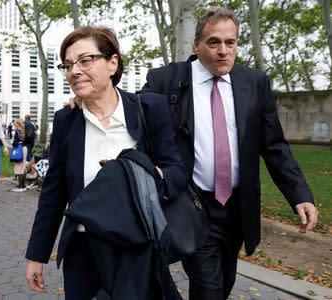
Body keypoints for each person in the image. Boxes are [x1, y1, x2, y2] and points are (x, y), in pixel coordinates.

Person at [140, 7, 318, 300]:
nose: (224, 51)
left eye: (230, 42)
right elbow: (131, 115)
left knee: (223, 281)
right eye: (214, 42)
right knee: (208, 286)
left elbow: (273, 146)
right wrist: (88, 100)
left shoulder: (254, 83)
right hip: (192, 204)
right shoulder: (166, 80)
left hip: (237, 207)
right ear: (197, 45)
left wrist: (300, 194)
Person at [24, 26, 187, 299]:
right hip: (82, 251)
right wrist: (36, 255)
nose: (74, 71)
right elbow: (53, 195)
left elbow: (177, 174)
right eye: (68, 64)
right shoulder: (66, 121)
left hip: (138, 250)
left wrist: (139, 174)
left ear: (113, 63)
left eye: (85, 60)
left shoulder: (149, 110)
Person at [11, 118, 28, 192]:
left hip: (18, 150)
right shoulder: (24, 131)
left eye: (16, 123)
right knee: (23, 166)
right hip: (24, 149)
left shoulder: (17, 132)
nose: (15, 124)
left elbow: (15, 143)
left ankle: (20, 186)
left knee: (19, 167)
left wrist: (12, 142)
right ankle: (23, 185)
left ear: (18, 124)